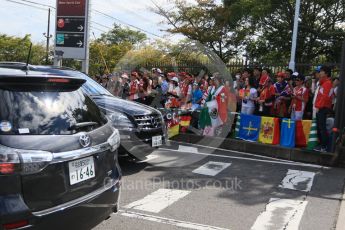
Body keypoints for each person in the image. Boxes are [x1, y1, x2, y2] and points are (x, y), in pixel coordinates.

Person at [314, 66, 333, 152]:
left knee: (322, 127)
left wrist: (319, 107)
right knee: (319, 127)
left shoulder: (327, 83)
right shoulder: (323, 83)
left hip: (323, 108)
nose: (320, 73)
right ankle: (321, 144)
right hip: (320, 108)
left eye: (322, 71)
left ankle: (323, 146)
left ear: (326, 73)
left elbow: (325, 98)